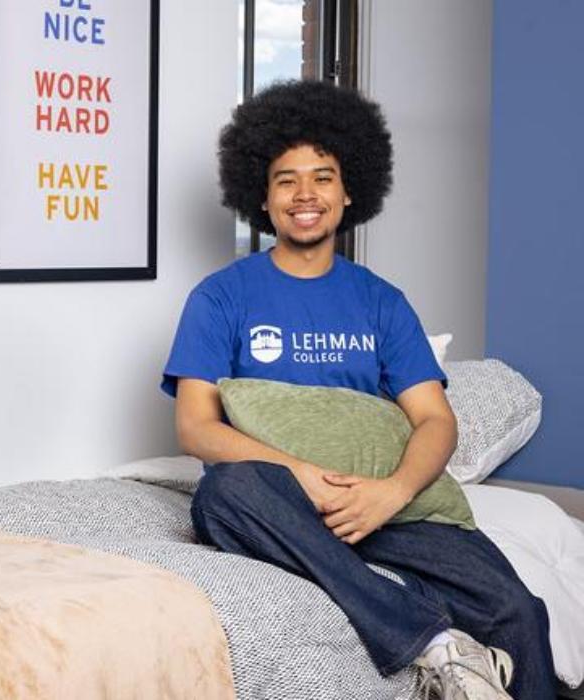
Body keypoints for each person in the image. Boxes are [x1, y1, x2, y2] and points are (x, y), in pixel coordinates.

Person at [161, 80, 555, 700]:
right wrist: (305, 476)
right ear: (262, 199)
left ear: (349, 192)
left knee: (520, 612)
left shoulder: (382, 303)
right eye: (286, 180)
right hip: (280, 502)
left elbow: (436, 421)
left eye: (322, 176)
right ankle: (428, 638)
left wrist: (390, 494)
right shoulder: (220, 297)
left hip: (389, 507)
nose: (305, 195)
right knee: (222, 495)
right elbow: (196, 428)